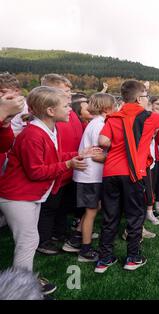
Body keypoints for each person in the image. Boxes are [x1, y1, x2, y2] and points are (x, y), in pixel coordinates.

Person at [95, 80, 159, 273]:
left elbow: (103, 141)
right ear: (138, 98)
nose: (146, 99)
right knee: (136, 216)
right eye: (145, 96)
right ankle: (132, 258)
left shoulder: (113, 117)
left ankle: (104, 259)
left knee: (110, 217)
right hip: (134, 173)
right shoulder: (147, 116)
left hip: (110, 172)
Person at [0, 86, 93, 295]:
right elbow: (36, 172)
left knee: (28, 240)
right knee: (28, 241)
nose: (71, 109)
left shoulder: (46, 129)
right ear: (51, 111)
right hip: (17, 197)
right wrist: (68, 164)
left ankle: (24, 280)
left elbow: (52, 157)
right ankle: (21, 289)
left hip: (27, 196)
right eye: (66, 105)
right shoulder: (33, 134)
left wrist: (79, 153)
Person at [36, 74, 84, 256]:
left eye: (70, 91)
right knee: (49, 208)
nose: (69, 96)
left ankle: (59, 233)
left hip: (70, 168)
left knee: (63, 206)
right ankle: (43, 240)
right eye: (65, 92)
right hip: (56, 169)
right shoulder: (49, 119)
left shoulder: (68, 113)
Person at [70, 93, 117, 262]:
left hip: (90, 174)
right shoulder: (99, 125)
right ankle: (85, 250)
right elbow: (100, 153)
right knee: (91, 212)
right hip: (90, 175)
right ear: (106, 108)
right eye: (114, 106)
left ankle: (76, 238)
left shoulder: (96, 123)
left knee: (94, 207)